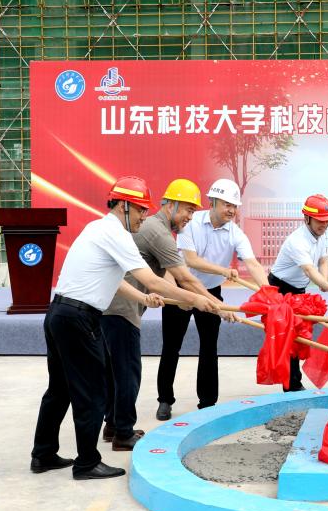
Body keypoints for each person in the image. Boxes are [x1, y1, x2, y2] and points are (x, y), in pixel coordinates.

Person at [30, 176, 226, 480]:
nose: (143, 217)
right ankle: (86, 463)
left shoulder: (96, 228)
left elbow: (116, 280)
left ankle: (43, 454)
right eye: (139, 210)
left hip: (59, 314)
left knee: (59, 389)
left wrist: (143, 298)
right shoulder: (117, 235)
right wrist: (197, 300)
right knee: (93, 392)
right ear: (123, 205)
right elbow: (154, 280)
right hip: (79, 319)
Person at [100, 178, 218, 449]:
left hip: (112, 305)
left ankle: (113, 424)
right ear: (171, 205)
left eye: (193, 211)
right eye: (188, 209)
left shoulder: (153, 229)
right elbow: (185, 278)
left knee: (115, 370)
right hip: (121, 309)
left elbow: (164, 277)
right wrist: (215, 305)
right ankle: (123, 433)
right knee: (128, 371)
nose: (190, 217)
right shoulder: (158, 232)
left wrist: (187, 299)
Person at [156, 178, 268, 420]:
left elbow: (253, 264)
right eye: (227, 204)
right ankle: (165, 400)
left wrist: (269, 293)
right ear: (213, 202)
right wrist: (224, 271)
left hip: (211, 291)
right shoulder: (190, 223)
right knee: (171, 346)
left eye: (234, 206)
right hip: (181, 289)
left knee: (209, 346)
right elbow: (191, 260)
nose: (231, 210)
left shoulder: (236, 233)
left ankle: (207, 403)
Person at [267, 194, 328, 390]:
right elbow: (308, 269)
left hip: (298, 290)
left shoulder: (320, 236)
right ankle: (291, 385)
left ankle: (294, 382)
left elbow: (323, 260)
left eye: (327, 220)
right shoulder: (297, 241)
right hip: (280, 289)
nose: (324, 224)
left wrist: (324, 281)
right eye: (320, 220)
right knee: (289, 337)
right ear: (307, 218)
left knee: (299, 336)